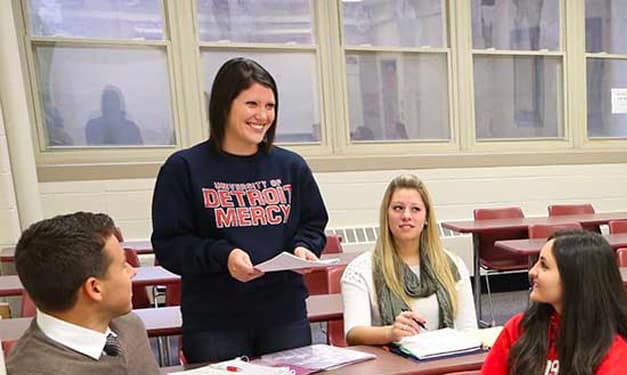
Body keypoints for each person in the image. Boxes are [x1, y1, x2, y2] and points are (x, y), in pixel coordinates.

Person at [151, 57, 329, 362]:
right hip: (215, 321)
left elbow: (313, 224)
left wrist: (304, 248)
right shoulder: (184, 168)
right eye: (252, 104)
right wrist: (224, 256)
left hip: (284, 314)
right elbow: (169, 245)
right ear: (224, 104)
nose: (262, 115)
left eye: (270, 106)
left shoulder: (291, 166)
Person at [7, 212, 159, 375]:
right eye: (123, 265)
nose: (132, 271)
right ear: (95, 288)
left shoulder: (129, 326)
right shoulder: (30, 370)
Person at [481, 230, 627, 375]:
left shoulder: (612, 348)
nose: (532, 272)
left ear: (575, 280)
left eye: (544, 266)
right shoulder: (519, 328)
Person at [341, 174, 477, 345]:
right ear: (386, 215)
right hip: (390, 365)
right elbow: (353, 334)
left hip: (444, 361)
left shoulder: (452, 265)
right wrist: (390, 332)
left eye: (415, 209)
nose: (406, 216)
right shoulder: (360, 270)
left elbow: (468, 329)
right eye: (398, 208)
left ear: (426, 218)